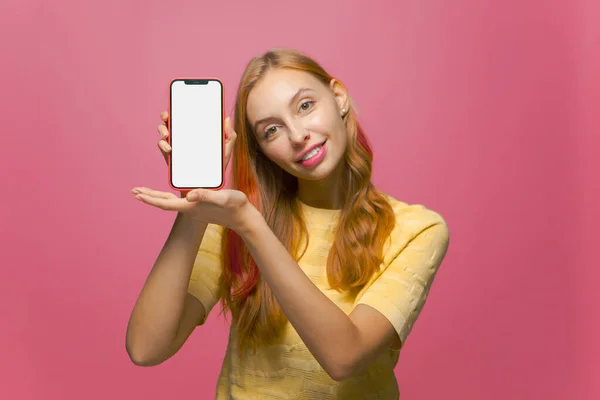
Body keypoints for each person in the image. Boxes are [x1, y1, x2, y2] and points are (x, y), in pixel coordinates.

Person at [126, 48, 450, 399]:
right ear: (263, 151)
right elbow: (146, 348)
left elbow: (344, 358)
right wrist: (194, 200)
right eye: (272, 130)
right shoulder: (235, 219)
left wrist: (251, 227)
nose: (297, 135)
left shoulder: (416, 229)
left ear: (338, 97)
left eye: (305, 106)